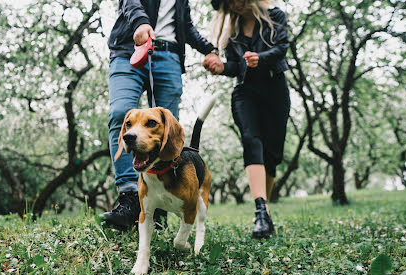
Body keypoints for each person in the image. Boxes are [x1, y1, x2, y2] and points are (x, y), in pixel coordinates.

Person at [105, 0, 221, 231]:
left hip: (169, 56)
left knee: (166, 128)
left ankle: (157, 208)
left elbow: (185, 26)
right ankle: (130, 198)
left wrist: (210, 49)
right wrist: (141, 22)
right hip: (130, 49)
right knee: (121, 113)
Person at [203, 0, 291, 238]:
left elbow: (282, 47)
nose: (236, 4)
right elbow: (236, 67)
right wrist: (222, 67)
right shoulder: (232, 31)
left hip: (275, 88)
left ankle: (266, 212)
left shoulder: (275, 16)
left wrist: (260, 58)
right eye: (229, 2)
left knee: (273, 154)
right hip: (245, 93)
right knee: (252, 142)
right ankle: (260, 211)